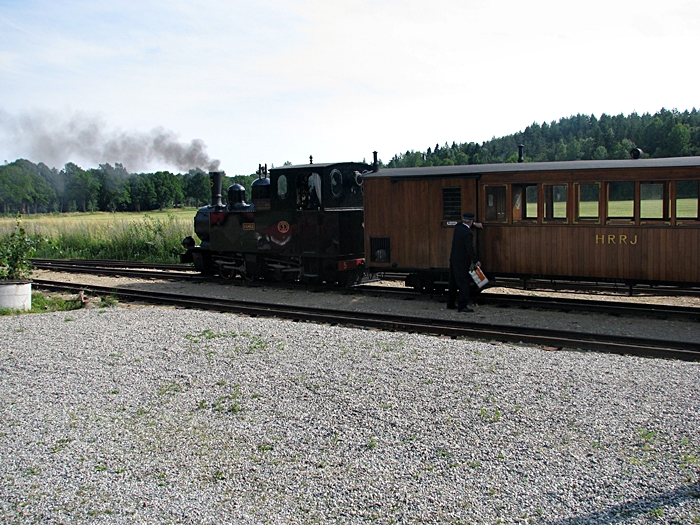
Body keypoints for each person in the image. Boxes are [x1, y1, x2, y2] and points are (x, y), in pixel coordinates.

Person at [447, 212, 481, 313]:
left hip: (453, 259)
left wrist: (474, 224)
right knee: (464, 284)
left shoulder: (458, 228)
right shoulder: (467, 233)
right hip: (462, 261)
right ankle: (462, 306)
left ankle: (450, 303)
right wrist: (476, 260)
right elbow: (469, 249)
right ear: (471, 221)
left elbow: (461, 224)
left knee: (452, 283)